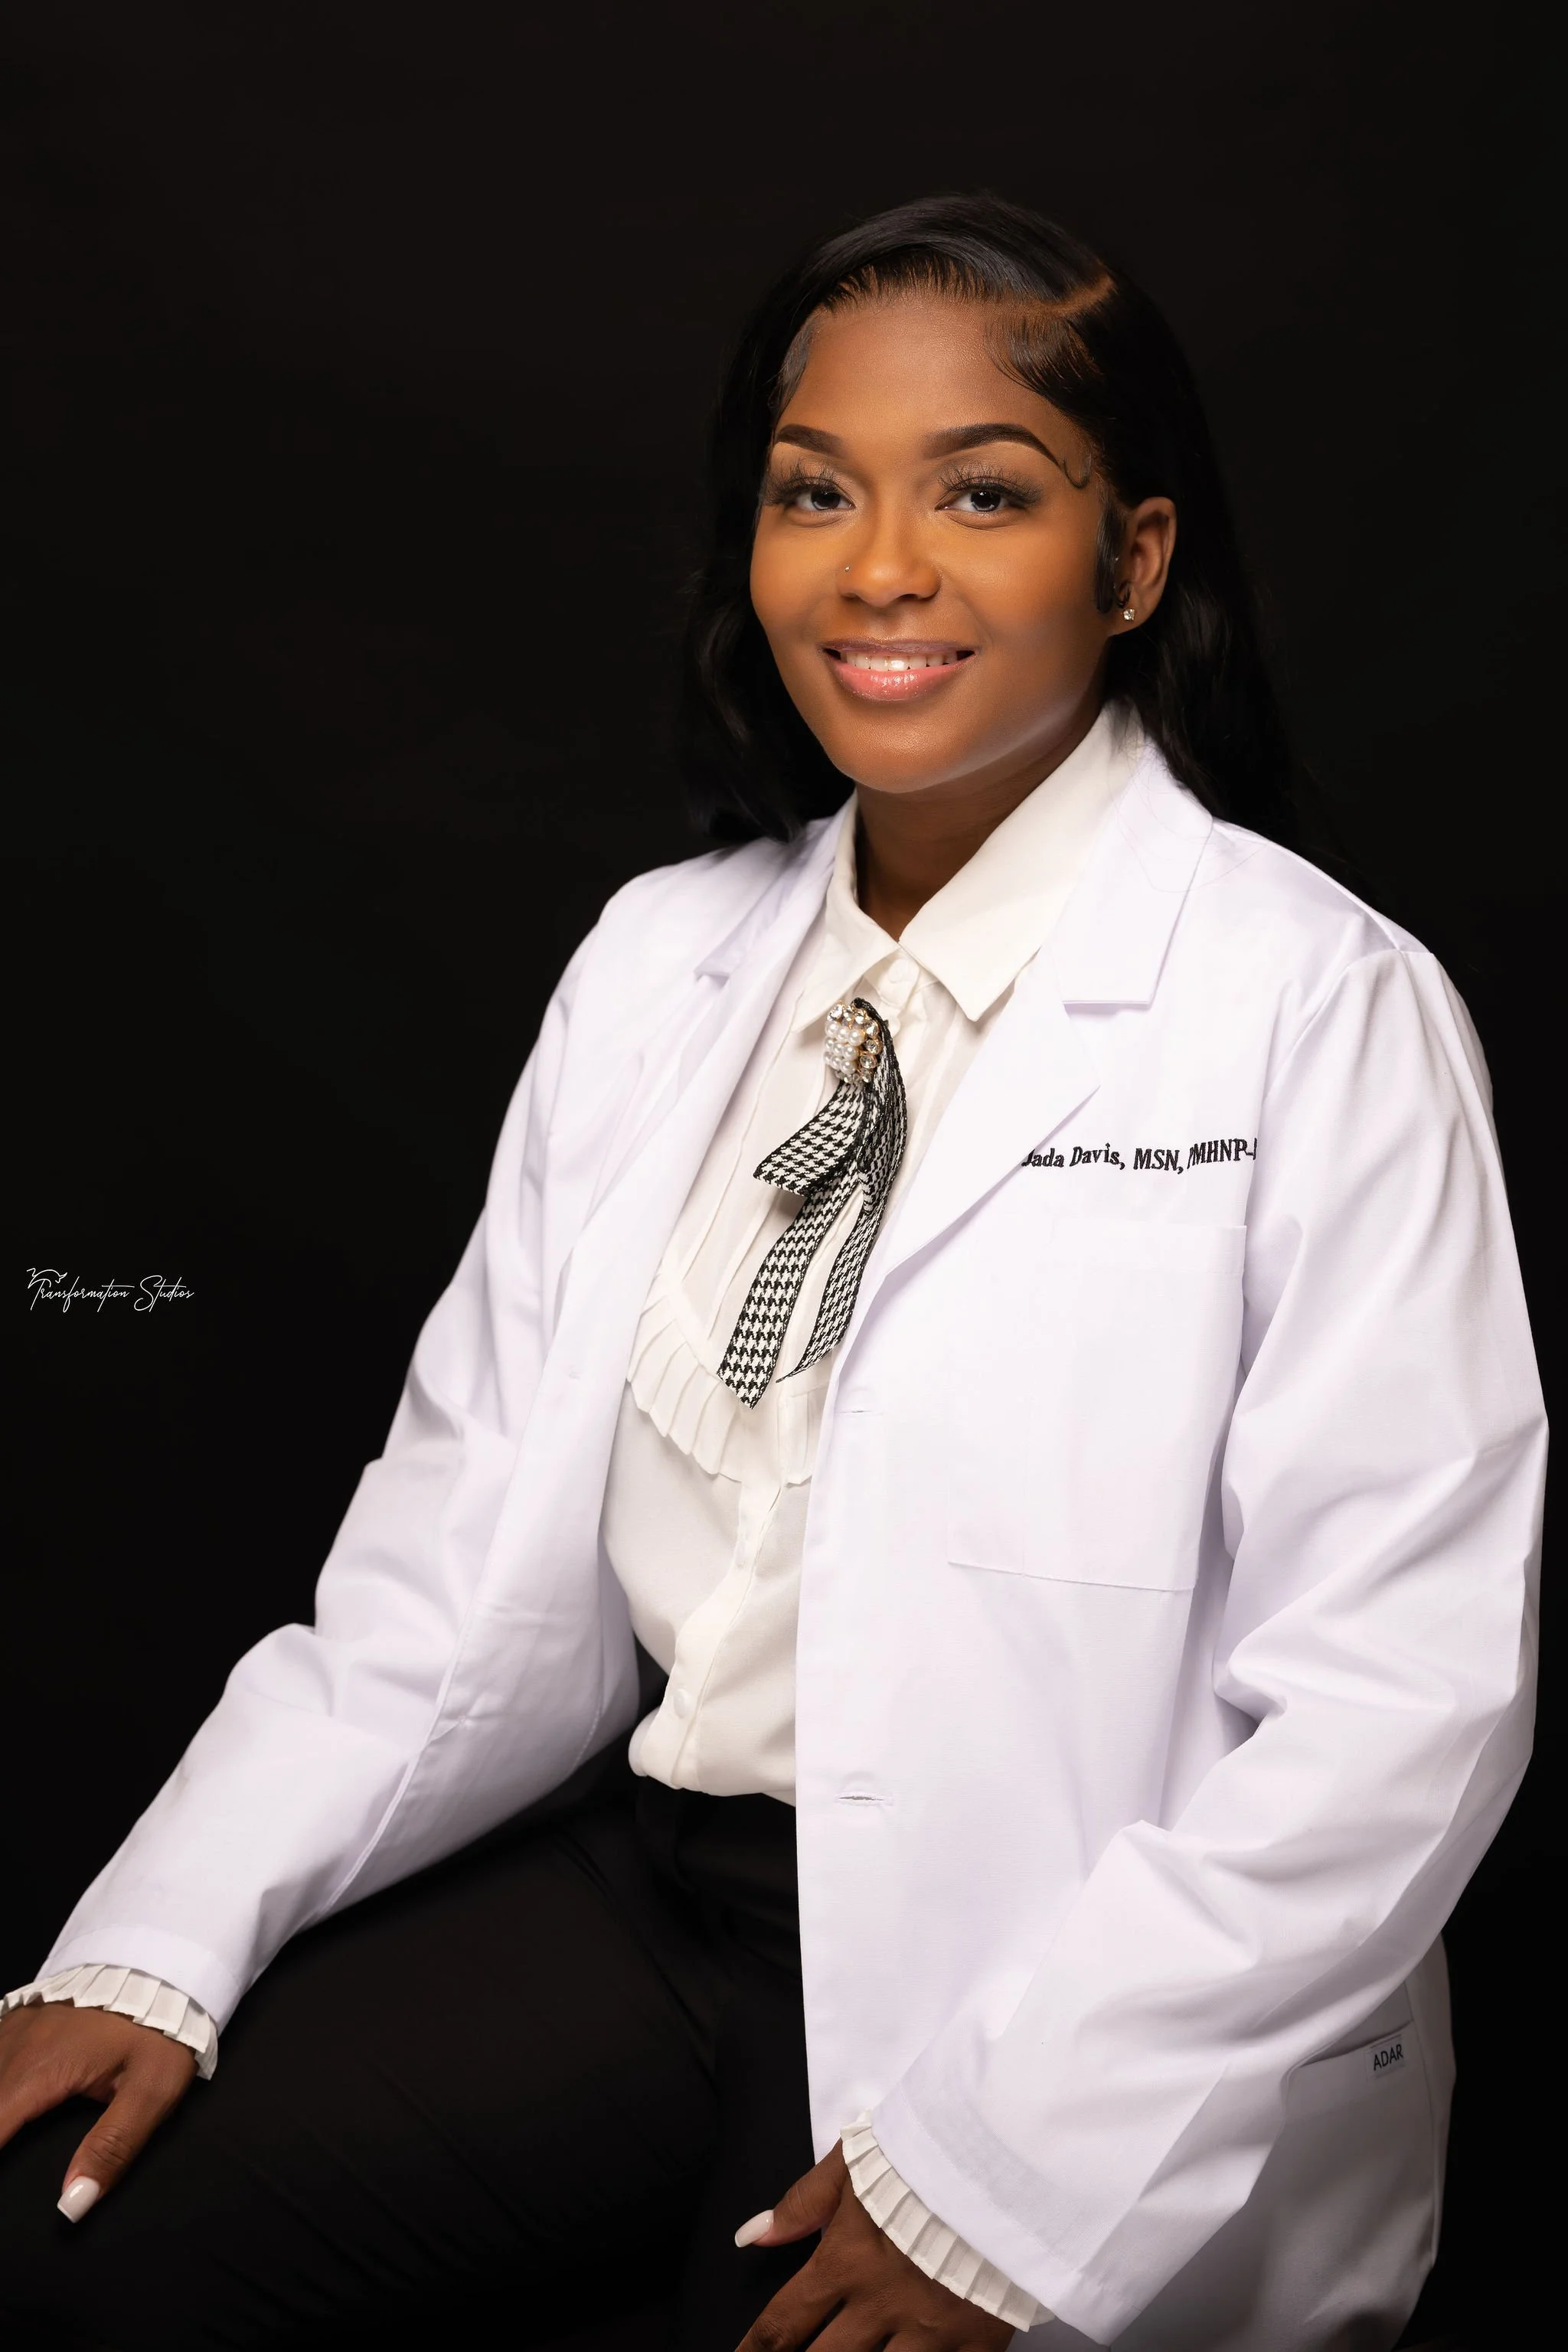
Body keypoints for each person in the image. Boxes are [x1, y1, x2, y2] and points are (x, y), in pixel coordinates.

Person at [0, 194, 1543, 2352]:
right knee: (57, 2256)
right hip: (665, 1904)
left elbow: (1401, 1701)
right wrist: (150, 1940)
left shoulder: (1318, 1008)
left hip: (1064, 1987)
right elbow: (445, 1582)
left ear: (1137, 558)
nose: (880, 569)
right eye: (816, 491)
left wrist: (1019, 2186)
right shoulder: (665, 962)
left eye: (983, 494)